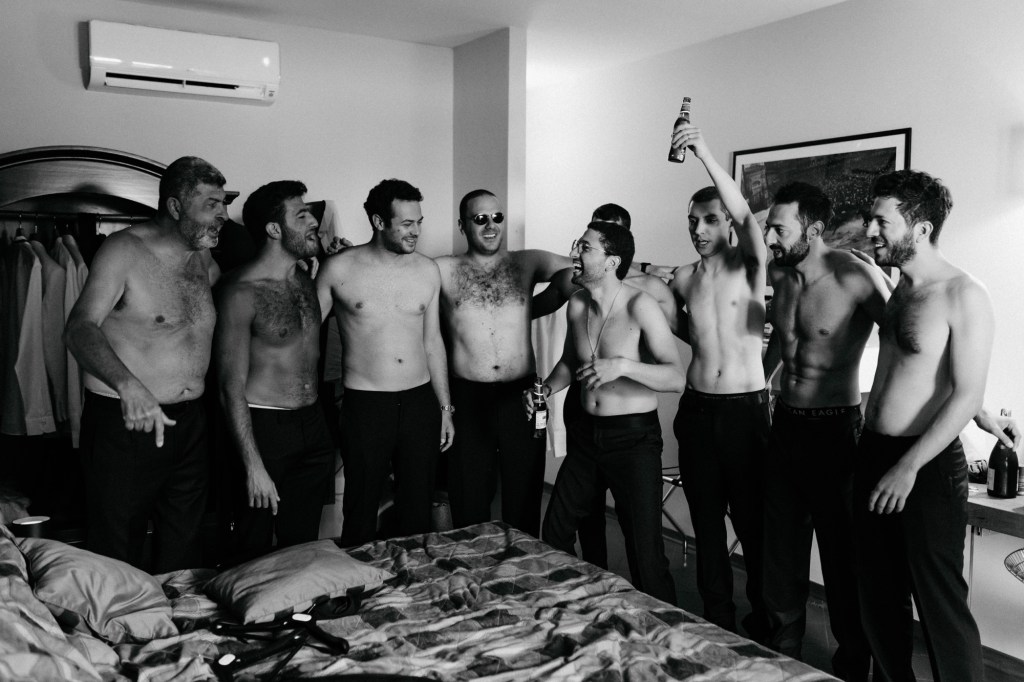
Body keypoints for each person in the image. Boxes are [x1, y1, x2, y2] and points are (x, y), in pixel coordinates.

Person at [854, 170, 1000, 682]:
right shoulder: (900, 288)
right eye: (870, 218)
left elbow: (967, 394)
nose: (870, 229)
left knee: (938, 599)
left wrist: (909, 467)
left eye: (881, 221)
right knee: (878, 593)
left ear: (920, 229)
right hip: (874, 452)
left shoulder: (964, 293)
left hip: (925, 464)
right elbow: (918, 370)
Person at [65, 156, 227, 571]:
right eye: (211, 204)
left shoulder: (203, 258)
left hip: (190, 423)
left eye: (224, 203)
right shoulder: (124, 250)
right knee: (118, 549)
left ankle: (174, 613)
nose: (224, 215)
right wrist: (128, 385)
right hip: (127, 423)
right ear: (175, 206)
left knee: (185, 544)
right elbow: (79, 329)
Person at [526, 220, 685, 604]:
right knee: (556, 531)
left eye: (584, 248)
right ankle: (574, 609)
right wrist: (545, 389)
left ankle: (665, 628)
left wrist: (623, 366)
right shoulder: (578, 304)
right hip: (587, 439)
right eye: (577, 245)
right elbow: (570, 362)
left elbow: (676, 377)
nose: (574, 254)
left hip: (633, 440)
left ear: (612, 261)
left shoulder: (640, 306)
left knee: (645, 552)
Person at [760, 182, 883, 680]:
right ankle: (782, 656)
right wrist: (760, 384)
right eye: (768, 227)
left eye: (779, 229)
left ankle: (852, 667)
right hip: (785, 426)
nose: (769, 238)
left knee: (842, 561)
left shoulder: (855, 276)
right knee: (779, 554)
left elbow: (910, 337)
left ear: (812, 230)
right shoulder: (781, 274)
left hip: (836, 432)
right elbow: (783, 343)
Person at [667, 124, 771, 640]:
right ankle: (718, 619)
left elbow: (749, 216)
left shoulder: (749, 266)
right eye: (693, 221)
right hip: (697, 410)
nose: (699, 229)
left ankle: (766, 621)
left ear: (726, 222)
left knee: (752, 524)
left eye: (710, 219)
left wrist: (702, 150)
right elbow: (684, 332)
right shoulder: (684, 278)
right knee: (706, 522)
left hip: (744, 411)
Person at [316, 178, 453, 547]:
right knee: (361, 507)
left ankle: (412, 577)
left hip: (419, 401)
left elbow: (433, 342)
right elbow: (303, 334)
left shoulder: (427, 270)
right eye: (406, 224)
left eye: (419, 222)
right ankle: (360, 577)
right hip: (366, 403)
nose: (416, 232)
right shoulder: (339, 269)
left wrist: (444, 408)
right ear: (379, 222)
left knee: (417, 508)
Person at [434, 190, 570, 536]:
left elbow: (583, 266)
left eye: (497, 217)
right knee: (468, 492)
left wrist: (645, 270)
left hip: (521, 394)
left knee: (524, 493)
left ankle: (521, 561)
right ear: (462, 225)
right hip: (467, 395)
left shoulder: (527, 262)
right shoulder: (444, 269)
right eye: (480, 219)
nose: (491, 226)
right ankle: (473, 557)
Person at [214, 180, 334, 562]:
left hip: (313, 423)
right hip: (263, 428)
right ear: (274, 229)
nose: (313, 221)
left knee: (303, 544)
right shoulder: (240, 292)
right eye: (302, 215)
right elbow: (229, 386)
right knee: (252, 546)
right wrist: (253, 464)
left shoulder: (304, 279)